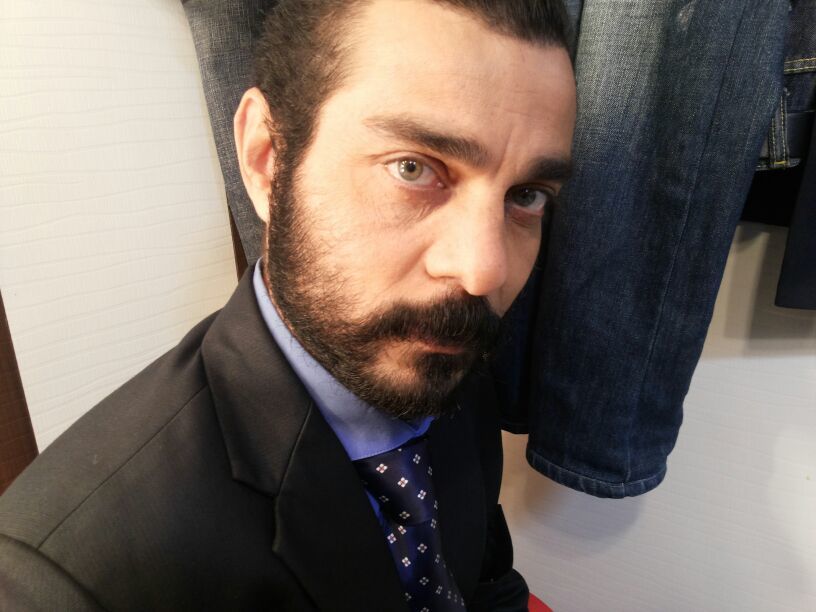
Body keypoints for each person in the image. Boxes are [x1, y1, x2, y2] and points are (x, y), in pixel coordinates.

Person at [0, 0, 576, 609]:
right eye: (413, 168)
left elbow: (485, 583)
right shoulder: (66, 582)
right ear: (266, 159)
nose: (484, 272)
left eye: (526, 195)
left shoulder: (446, 360)